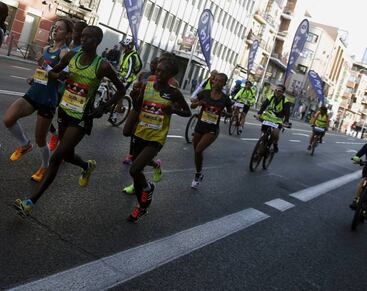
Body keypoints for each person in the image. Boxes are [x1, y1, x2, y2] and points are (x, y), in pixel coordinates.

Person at [14, 25, 126, 216]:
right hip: (64, 112)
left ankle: (30, 202)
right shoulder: (71, 57)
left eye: (88, 38)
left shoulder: (102, 66)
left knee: (57, 157)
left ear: (97, 42)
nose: (83, 40)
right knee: (67, 154)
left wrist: (102, 108)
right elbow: (53, 72)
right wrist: (53, 74)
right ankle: (86, 166)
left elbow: (121, 89)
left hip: (82, 117)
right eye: (82, 37)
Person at [122, 52, 191, 222]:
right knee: (136, 175)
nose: (158, 73)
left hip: (156, 138)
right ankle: (142, 206)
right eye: (157, 70)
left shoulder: (174, 93)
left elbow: (187, 112)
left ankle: (148, 188)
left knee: (135, 169)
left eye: (162, 72)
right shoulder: (147, 85)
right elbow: (139, 106)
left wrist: (172, 110)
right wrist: (134, 97)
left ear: (170, 76)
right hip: (140, 133)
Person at [3, 19, 73, 182]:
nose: (55, 30)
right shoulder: (46, 49)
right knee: (8, 119)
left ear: (68, 34)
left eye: (60, 29)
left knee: (41, 139)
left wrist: (44, 64)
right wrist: (33, 78)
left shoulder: (65, 52)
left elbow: (63, 78)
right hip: (34, 93)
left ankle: (44, 166)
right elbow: (41, 72)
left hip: (48, 100)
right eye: (54, 27)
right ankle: (25, 145)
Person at [48, 20, 88, 152]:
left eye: (75, 30)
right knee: (45, 110)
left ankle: (62, 146)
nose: (73, 32)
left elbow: (64, 73)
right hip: (59, 86)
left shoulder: (80, 50)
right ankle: (56, 136)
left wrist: (49, 71)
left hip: (70, 92)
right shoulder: (68, 46)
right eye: (73, 30)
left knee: (61, 119)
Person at [190, 73, 232, 189]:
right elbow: (192, 106)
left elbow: (230, 113)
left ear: (224, 83)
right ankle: (199, 173)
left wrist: (225, 114)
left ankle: (197, 176)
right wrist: (199, 103)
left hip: (212, 129)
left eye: (219, 81)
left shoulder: (225, 99)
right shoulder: (205, 93)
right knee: (196, 151)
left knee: (199, 150)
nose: (216, 83)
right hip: (200, 126)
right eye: (215, 80)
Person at [256, 84, 290, 153]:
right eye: (276, 90)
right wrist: (259, 113)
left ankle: (275, 144)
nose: (277, 92)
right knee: (263, 133)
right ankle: (259, 149)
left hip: (278, 119)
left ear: (282, 92)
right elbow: (264, 105)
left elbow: (287, 112)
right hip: (268, 117)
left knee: (275, 133)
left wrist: (286, 121)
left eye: (279, 91)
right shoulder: (271, 96)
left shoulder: (285, 101)